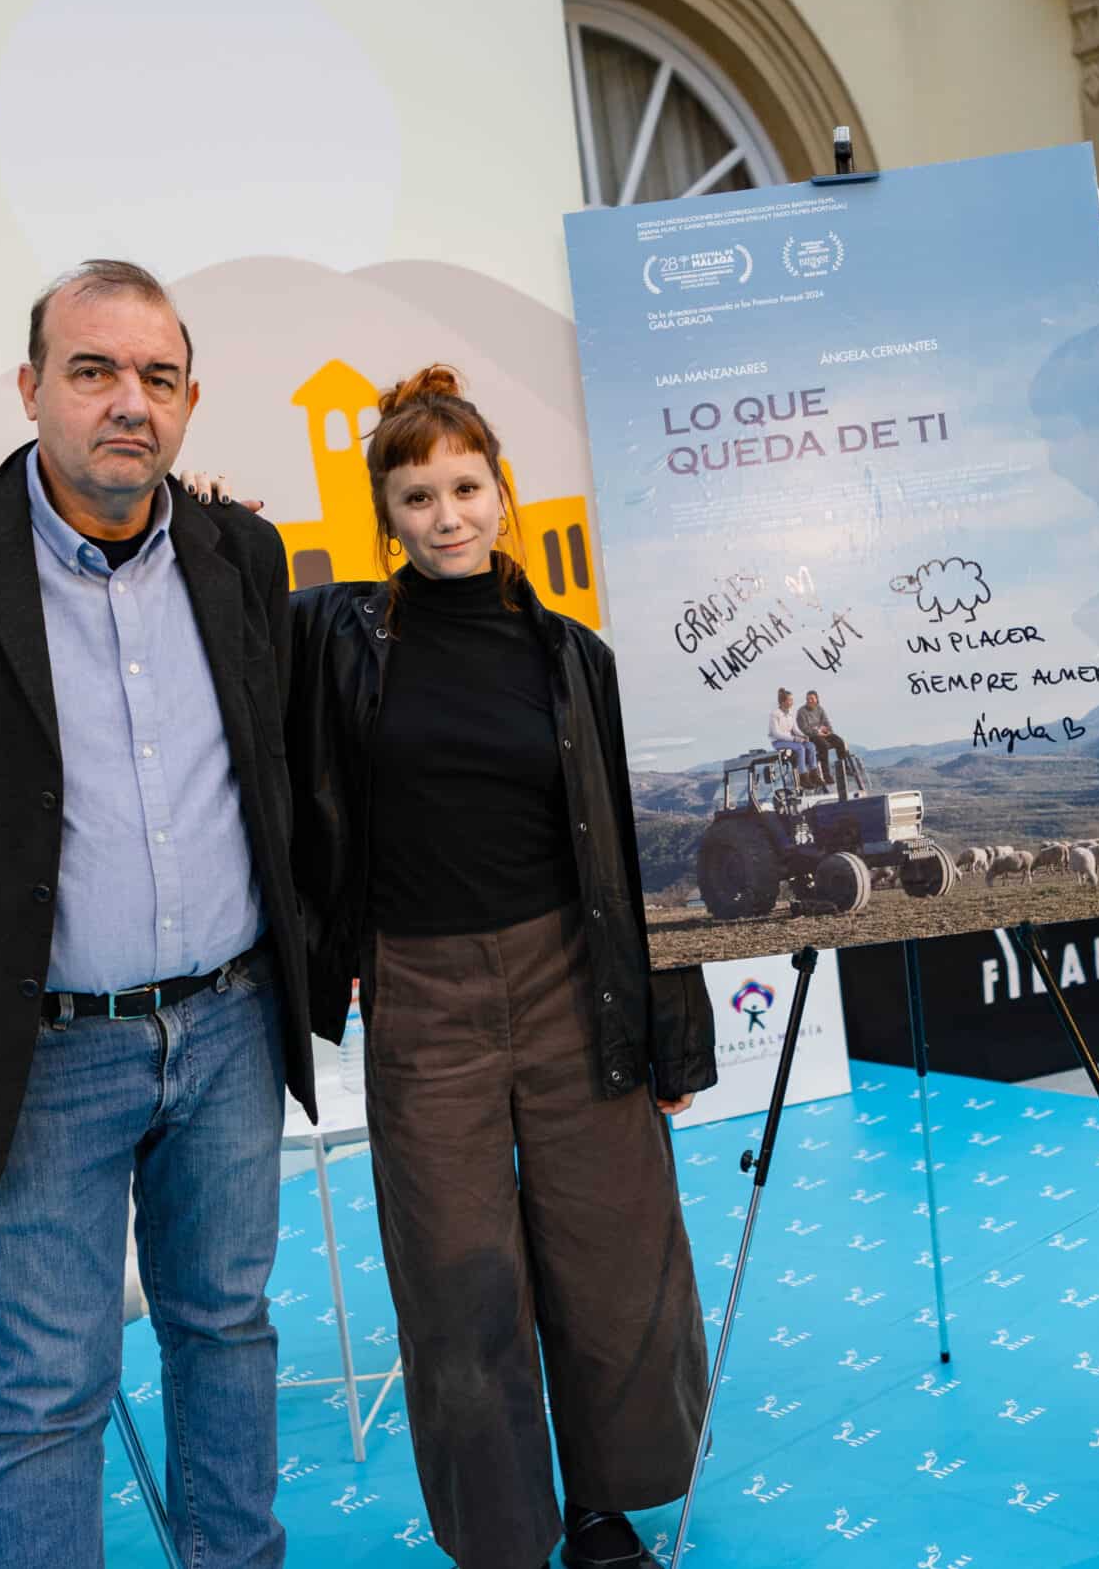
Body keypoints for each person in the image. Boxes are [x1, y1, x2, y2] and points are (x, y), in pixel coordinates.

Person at [0, 260, 318, 1569]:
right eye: (93, 370)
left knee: (230, 1333)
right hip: (38, 1057)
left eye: (155, 377)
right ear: (31, 387)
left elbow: (271, 764)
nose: (126, 403)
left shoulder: (240, 551)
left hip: (232, 1027)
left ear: (190, 400)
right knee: (44, 1391)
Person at [281, 366, 717, 1569]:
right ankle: (502, 1535)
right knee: (457, 1274)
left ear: (502, 492)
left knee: (610, 1251)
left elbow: (641, 857)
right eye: (416, 496)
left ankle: (601, 1507)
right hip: (420, 994)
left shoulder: (575, 658)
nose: (446, 515)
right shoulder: (340, 642)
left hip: (574, 979)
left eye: (465, 486)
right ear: (386, 518)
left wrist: (672, 1030)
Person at [796, 689, 855, 784]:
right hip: (811, 736)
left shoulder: (820, 709)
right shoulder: (801, 712)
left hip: (823, 733)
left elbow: (826, 722)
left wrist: (828, 731)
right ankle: (826, 775)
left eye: (811, 699)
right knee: (823, 746)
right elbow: (804, 729)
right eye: (808, 699)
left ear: (817, 700)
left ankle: (845, 767)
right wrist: (817, 732)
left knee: (839, 741)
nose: (809, 701)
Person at [767, 686, 821, 787]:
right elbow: (776, 733)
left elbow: (795, 729)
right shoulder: (775, 714)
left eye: (792, 700)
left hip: (791, 740)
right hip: (778, 741)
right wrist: (794, 739)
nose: (792, 702)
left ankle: (814, 774)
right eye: (790, 700)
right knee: (800, 748)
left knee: (811, 746)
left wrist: (803, 736)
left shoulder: (791, 713)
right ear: (783, 702)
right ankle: (803, 778)